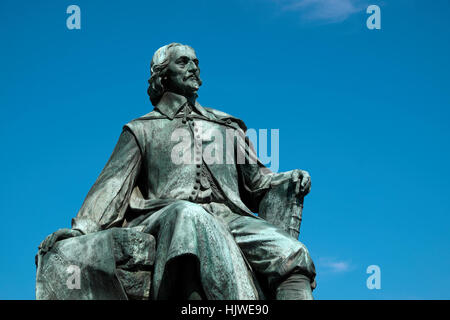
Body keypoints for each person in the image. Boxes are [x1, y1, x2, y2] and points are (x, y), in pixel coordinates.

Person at [39, 43, 316, 300]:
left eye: (196, 62)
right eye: (183, 62)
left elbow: (256, 182)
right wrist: (82, 229)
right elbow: (112, 185)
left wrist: (286, 180)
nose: (193, 67)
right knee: (189, 216)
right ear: (162, 76)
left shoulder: (228, 127)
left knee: (292, 254)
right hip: (165, 214)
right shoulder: (142, 129)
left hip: (229, 217)